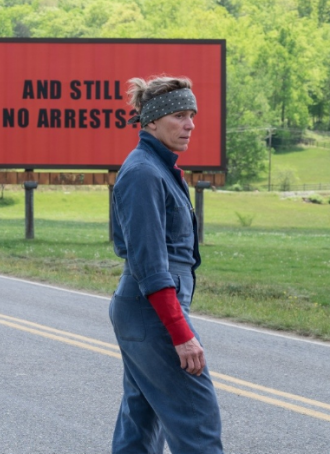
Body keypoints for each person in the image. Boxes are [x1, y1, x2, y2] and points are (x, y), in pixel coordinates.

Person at [109, 75, 224, 454]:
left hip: (145, 310)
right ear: (152, 121)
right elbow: (151, 265)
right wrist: (180, 333)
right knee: (197, 422)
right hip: (152, 311)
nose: (190, 125)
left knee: (140, 422)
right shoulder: (144, 173)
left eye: (192, 115)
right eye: (179, 115)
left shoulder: (156, 168)